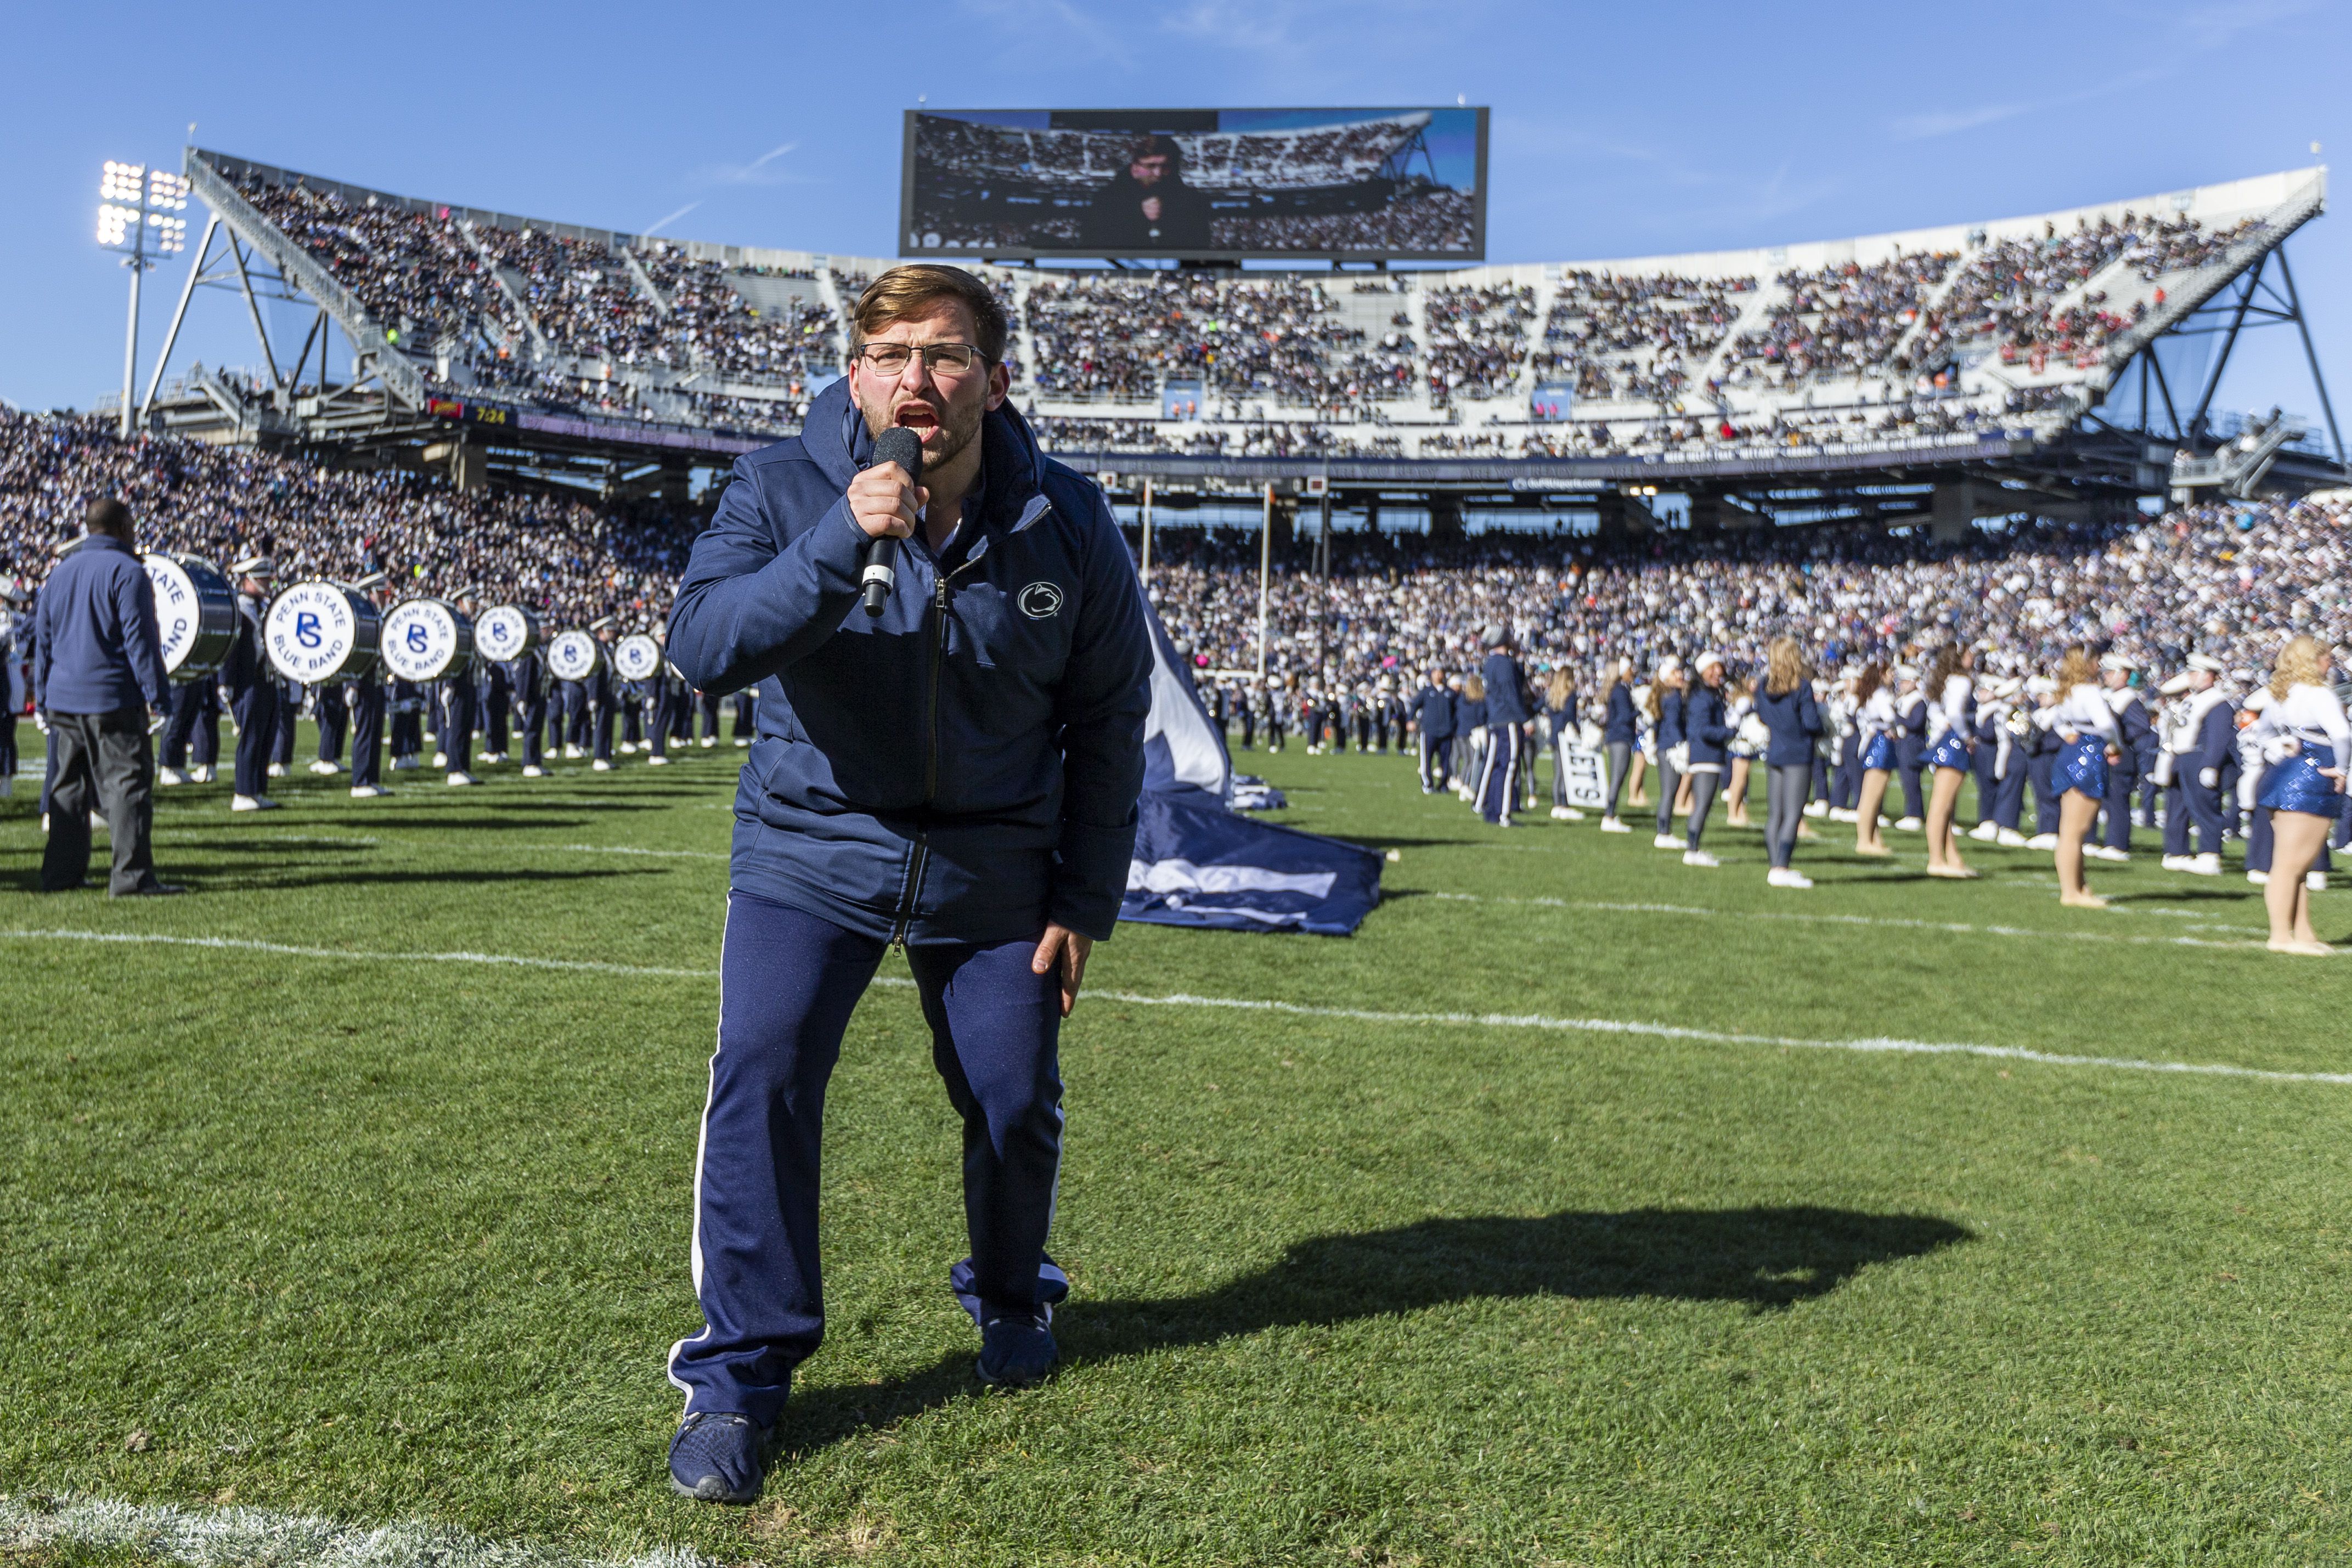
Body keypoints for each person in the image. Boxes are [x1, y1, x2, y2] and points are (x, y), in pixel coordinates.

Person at [659, 263, 1152, 1504]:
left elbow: (1106, 719)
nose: (915, 381)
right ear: (851, 371)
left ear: (993, 374)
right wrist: (843, 539)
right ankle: (740, 1378)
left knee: (1011, 1098)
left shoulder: (1069, 517)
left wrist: (1082, 900)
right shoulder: (778, 486)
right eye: (889, 354)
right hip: (810, 845)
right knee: (761, 1075)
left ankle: (1007, 1295)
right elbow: (703, 650)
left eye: (943, 355)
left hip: (994, 861)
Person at [32, 498, 177, 896]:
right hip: (112, 696)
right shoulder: (128, 572)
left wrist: (42, 695)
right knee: (126, 784)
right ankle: (131, 876)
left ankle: (62, 874)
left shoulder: (59, 574)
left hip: (64, 697)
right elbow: (140, 641)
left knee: (67, 789)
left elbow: (43, 640)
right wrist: (159, 695)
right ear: (123, 527)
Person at [2250, 634, 2347, 954]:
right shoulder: (2319, 693)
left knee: (2298, 866)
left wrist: (2280, 746)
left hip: (2284, 774)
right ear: (2313, 660)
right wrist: (2343, 771)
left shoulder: (2282, 692)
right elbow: (2343, 735)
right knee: (2290, 865)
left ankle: (2303, 932)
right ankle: (2280, 936)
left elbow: (2262, 733)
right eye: (2325, 657)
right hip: (2312, 776)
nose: (2329, 663)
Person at [2049, 645, 2121, 909]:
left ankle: (2080, 886)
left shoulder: (2067, 689)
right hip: (2089, 753)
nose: (2099, 665)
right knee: (2075, 831)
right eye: (2096, 660)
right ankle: (2071, 892)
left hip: (2070, 752)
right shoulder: (2089, 691)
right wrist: (2115, 745)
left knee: (2070, 830)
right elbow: (2106, 724)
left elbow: (2055, 720)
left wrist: (2066, 732)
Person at [1753, 634, 1821, 888]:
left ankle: (1775, 866)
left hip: (1775, 753)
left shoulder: (1763, 685)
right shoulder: (1801, 686)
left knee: (1775, 815)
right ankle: (1781, 867)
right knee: (1793, 815)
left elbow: (1761, 716)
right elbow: (1812, 723)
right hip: (1797, 754)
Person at [1082, 133, 1212, 253]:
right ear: (1134, 167)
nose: (1158, 174)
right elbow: (1094, 243)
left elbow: (1200, 243)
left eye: (1165, 166)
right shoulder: (1106, 201)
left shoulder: (1191, 201)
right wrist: (1136, 210)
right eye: (1151, 166)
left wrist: (1171, 211)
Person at [223, 555, 280, 813]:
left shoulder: (265, 607)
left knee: (266, 736)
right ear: (250, 580)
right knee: (251, 738)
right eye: (263, 579)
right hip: (248, 681)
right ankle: (244, 792)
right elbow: (229, 649)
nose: (268, 583)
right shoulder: (238, 608)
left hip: (266, 680)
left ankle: (257, 789)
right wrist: (225, 682)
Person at [1920, 643, 1977, 878]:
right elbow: (1954, 713)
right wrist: (1967, 738)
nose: (1973, 657)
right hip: (1953, 743)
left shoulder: (1943, 680)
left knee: (1946, 807)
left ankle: (1952, 858)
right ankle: (1936, 859)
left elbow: (1936, 712)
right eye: (1969, 653)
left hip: (1942, 740)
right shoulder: (1961, 681)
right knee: (1941, 806)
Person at [2092, 653, 2151, 862]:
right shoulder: (2110, 695)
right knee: (2106, 801)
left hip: (2121, 756)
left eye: (2110, 673)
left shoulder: (2129, 699)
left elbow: (2141, 726)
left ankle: (2118, 844)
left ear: (2123, 675)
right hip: (2106, 755)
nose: (2105, 677)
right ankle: (2106, 840)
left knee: (2118, 802)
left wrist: (2119, 740)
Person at [1678, 651, 1733, 866]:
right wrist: (1731, 732)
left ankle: (1693, 848)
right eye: (1713, 669)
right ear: (1702, 672)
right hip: (1705, 755)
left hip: (1708, 755)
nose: (1718, 672)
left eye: (1719, 668)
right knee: (1702, 805)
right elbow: (1703, 730)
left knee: (1703, 804)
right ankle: (1692, 850)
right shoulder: (1702, 697)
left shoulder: (1708, 695)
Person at [1475, 624, 1528, 827]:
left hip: (1495, 719)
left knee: (1498, 767)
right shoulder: (1504, 664)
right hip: (1508, 720)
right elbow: (1512, 694)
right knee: (1509, 767)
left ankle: (1493, 811)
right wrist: (1525, 719)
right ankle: (1503, 814)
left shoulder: (1491, 663)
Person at [1851, 662, 1895, 856]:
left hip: (1871, 740)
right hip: (1881, 742)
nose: (1893, 675)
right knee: (1872, 797)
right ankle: (1864, 841)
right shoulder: (1881, 694)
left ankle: (1874, 838)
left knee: (1871, 797)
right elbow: (1889, 716)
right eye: (1889, 671)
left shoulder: (1869, 694)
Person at [1648, 656, 1687, 850]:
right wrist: (1681, 745)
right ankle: (1663, 833)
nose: (1680, 675)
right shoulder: (1673, 697)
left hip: (1664, 746)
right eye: (1675, 673)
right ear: (1666, 679)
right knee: (1669, 793)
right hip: (1671, 748)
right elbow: (1673, 725)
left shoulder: (1665, 695)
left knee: (1668, 792)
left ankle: (1664, 831)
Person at [1598, 656, 1637, 833]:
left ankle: (1610, 814)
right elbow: (1624, 717)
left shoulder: (1619, 690)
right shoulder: (1621, 691)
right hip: (1620, 737)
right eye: (1630, 669)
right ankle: (1609, 815)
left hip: (1617, 737)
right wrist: (1639, 710)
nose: (1633, 672)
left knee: (1617, 777)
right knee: (1617, 778)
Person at [1544, 667, 1584, 821]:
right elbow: (1570, 716)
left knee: (1558, 773)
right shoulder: (1571, 695)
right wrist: (1578, 731)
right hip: (1565, 737)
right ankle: (1563, 804)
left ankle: (1556, 805)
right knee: (1565, 773)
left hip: (1554, 736)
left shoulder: (1552, 695)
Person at [1413, 665, 1452, 792]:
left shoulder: (1450, 692)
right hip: (1429, 731)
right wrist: (1410, 720)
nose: (1438, 675)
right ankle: (1427, 784)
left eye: (1441, 672)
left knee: (1446, 761)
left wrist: (1452, 725)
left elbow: (1457, 711)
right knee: (1426, 760)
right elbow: (1415, 705)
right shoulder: (1426, 691)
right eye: (1436, 673)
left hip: (1446, 732)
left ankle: (1444, 784)